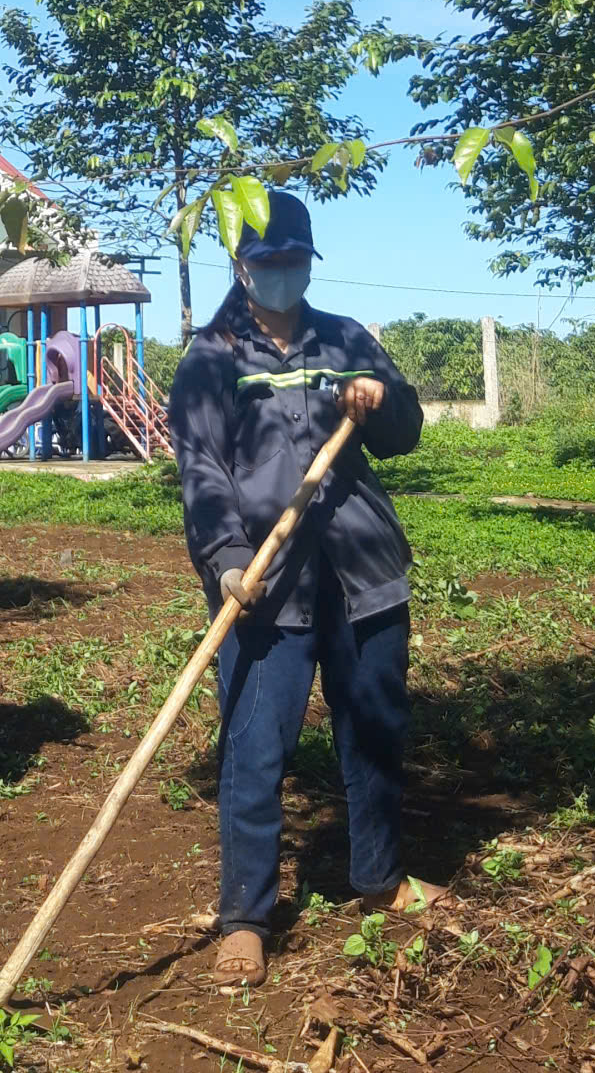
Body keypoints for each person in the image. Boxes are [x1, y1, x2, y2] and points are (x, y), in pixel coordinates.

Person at [168, 190, 428, 987]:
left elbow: (406, 432)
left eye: (294, 260)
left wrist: (379, 400)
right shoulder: (211, 360)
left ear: (308, 263)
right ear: (243, 268)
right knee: (254, 749)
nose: (281, 273)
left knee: (373, 733)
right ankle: (246, 915)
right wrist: (226, 562)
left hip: (362, 573)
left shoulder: (347, 339)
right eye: (267, 261)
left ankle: (379, 879)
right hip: (262, 585)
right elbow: (202, 472)